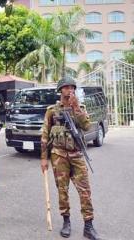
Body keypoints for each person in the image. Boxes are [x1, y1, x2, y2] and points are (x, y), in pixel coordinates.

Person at [41, 77, 100, 240]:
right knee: (62, 190)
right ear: (60, 90)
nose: (70, 90)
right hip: (59, 155)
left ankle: (88, 225)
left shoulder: (79, 107)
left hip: (77, 155)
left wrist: (76, 107)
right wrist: (44, 158)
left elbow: (87, 126)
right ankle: (66, 221)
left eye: (72, 88)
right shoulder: (52, 110)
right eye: (66, 88)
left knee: (85, 191)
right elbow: (45, 134)